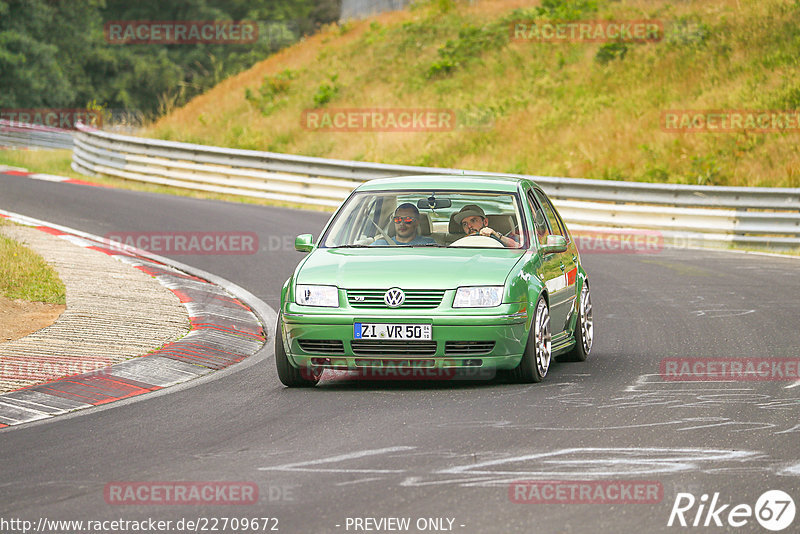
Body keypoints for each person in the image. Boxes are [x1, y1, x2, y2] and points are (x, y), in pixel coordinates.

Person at [453, 204, 520, 248]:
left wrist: (496, 235)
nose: (469, 226)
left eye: (473, 221)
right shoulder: (458, 242)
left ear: (485, 222)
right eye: (465, 224)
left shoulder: (509, 237)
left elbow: (520, 249)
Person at [372, 203, 436, 246]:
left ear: (416, 222)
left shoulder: (428, 244)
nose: (402, 223)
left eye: (407, 219)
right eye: (398, 219)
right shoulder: (380, 244)